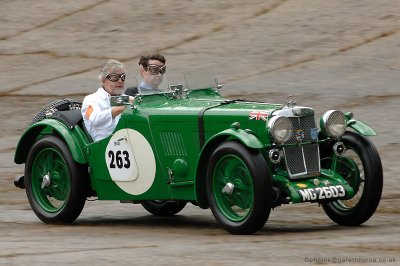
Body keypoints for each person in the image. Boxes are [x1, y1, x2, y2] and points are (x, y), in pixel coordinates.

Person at [81, 59, 129, 141]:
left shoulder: (127, 98)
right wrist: (121, 108)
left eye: (122, 77)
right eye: (115, 77)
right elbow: (95, 119)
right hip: (104, 146)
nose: (120, 81)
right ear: (103, 80)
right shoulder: (91, 99)